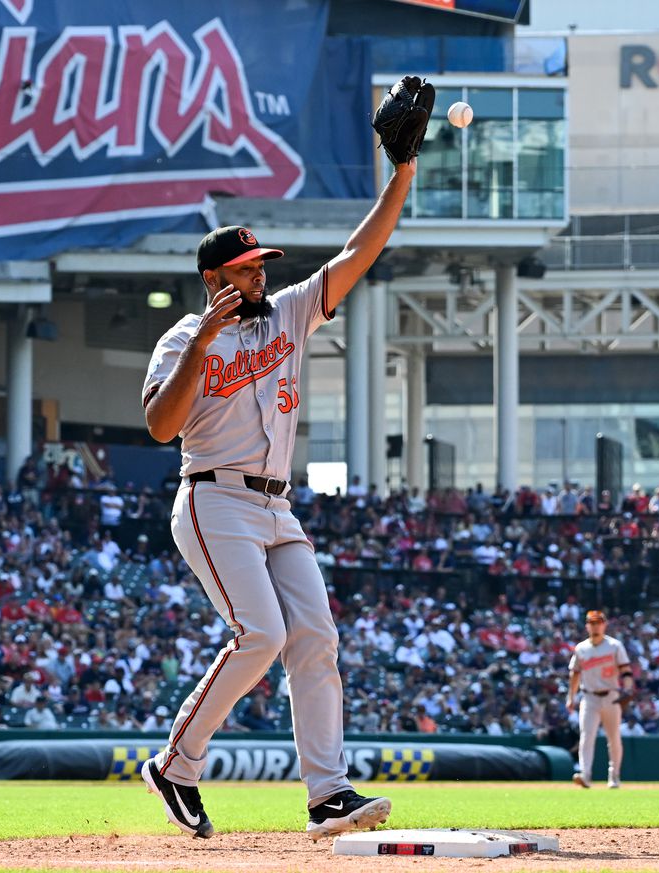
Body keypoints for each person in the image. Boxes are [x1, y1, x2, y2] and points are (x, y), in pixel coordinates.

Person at [138, 151, 419, 842]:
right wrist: (202, 344)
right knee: (260, 633)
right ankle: (177, 762)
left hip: (277, 505)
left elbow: (361, 250)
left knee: (315, 636)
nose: (260, 274)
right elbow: (159, 426)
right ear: (214, 279)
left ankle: (327, 793)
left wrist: (402, 171)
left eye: (261, 265)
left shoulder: (288, 313)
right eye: (245, 268)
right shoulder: (181, 339)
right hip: (213, 500)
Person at [566, 610, 632, 789]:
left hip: (611, 696)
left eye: (598, 622)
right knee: (586, 737)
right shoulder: (581, 648)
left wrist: (627, 688)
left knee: (614, 738)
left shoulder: (614, 646)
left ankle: (614, 776)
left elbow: (626, 671)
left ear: (604, 624)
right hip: (589, 697)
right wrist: (570, 697)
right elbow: (574, 674)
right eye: (591, 623)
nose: (595, 626)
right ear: (587, 625)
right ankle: (585, 775)